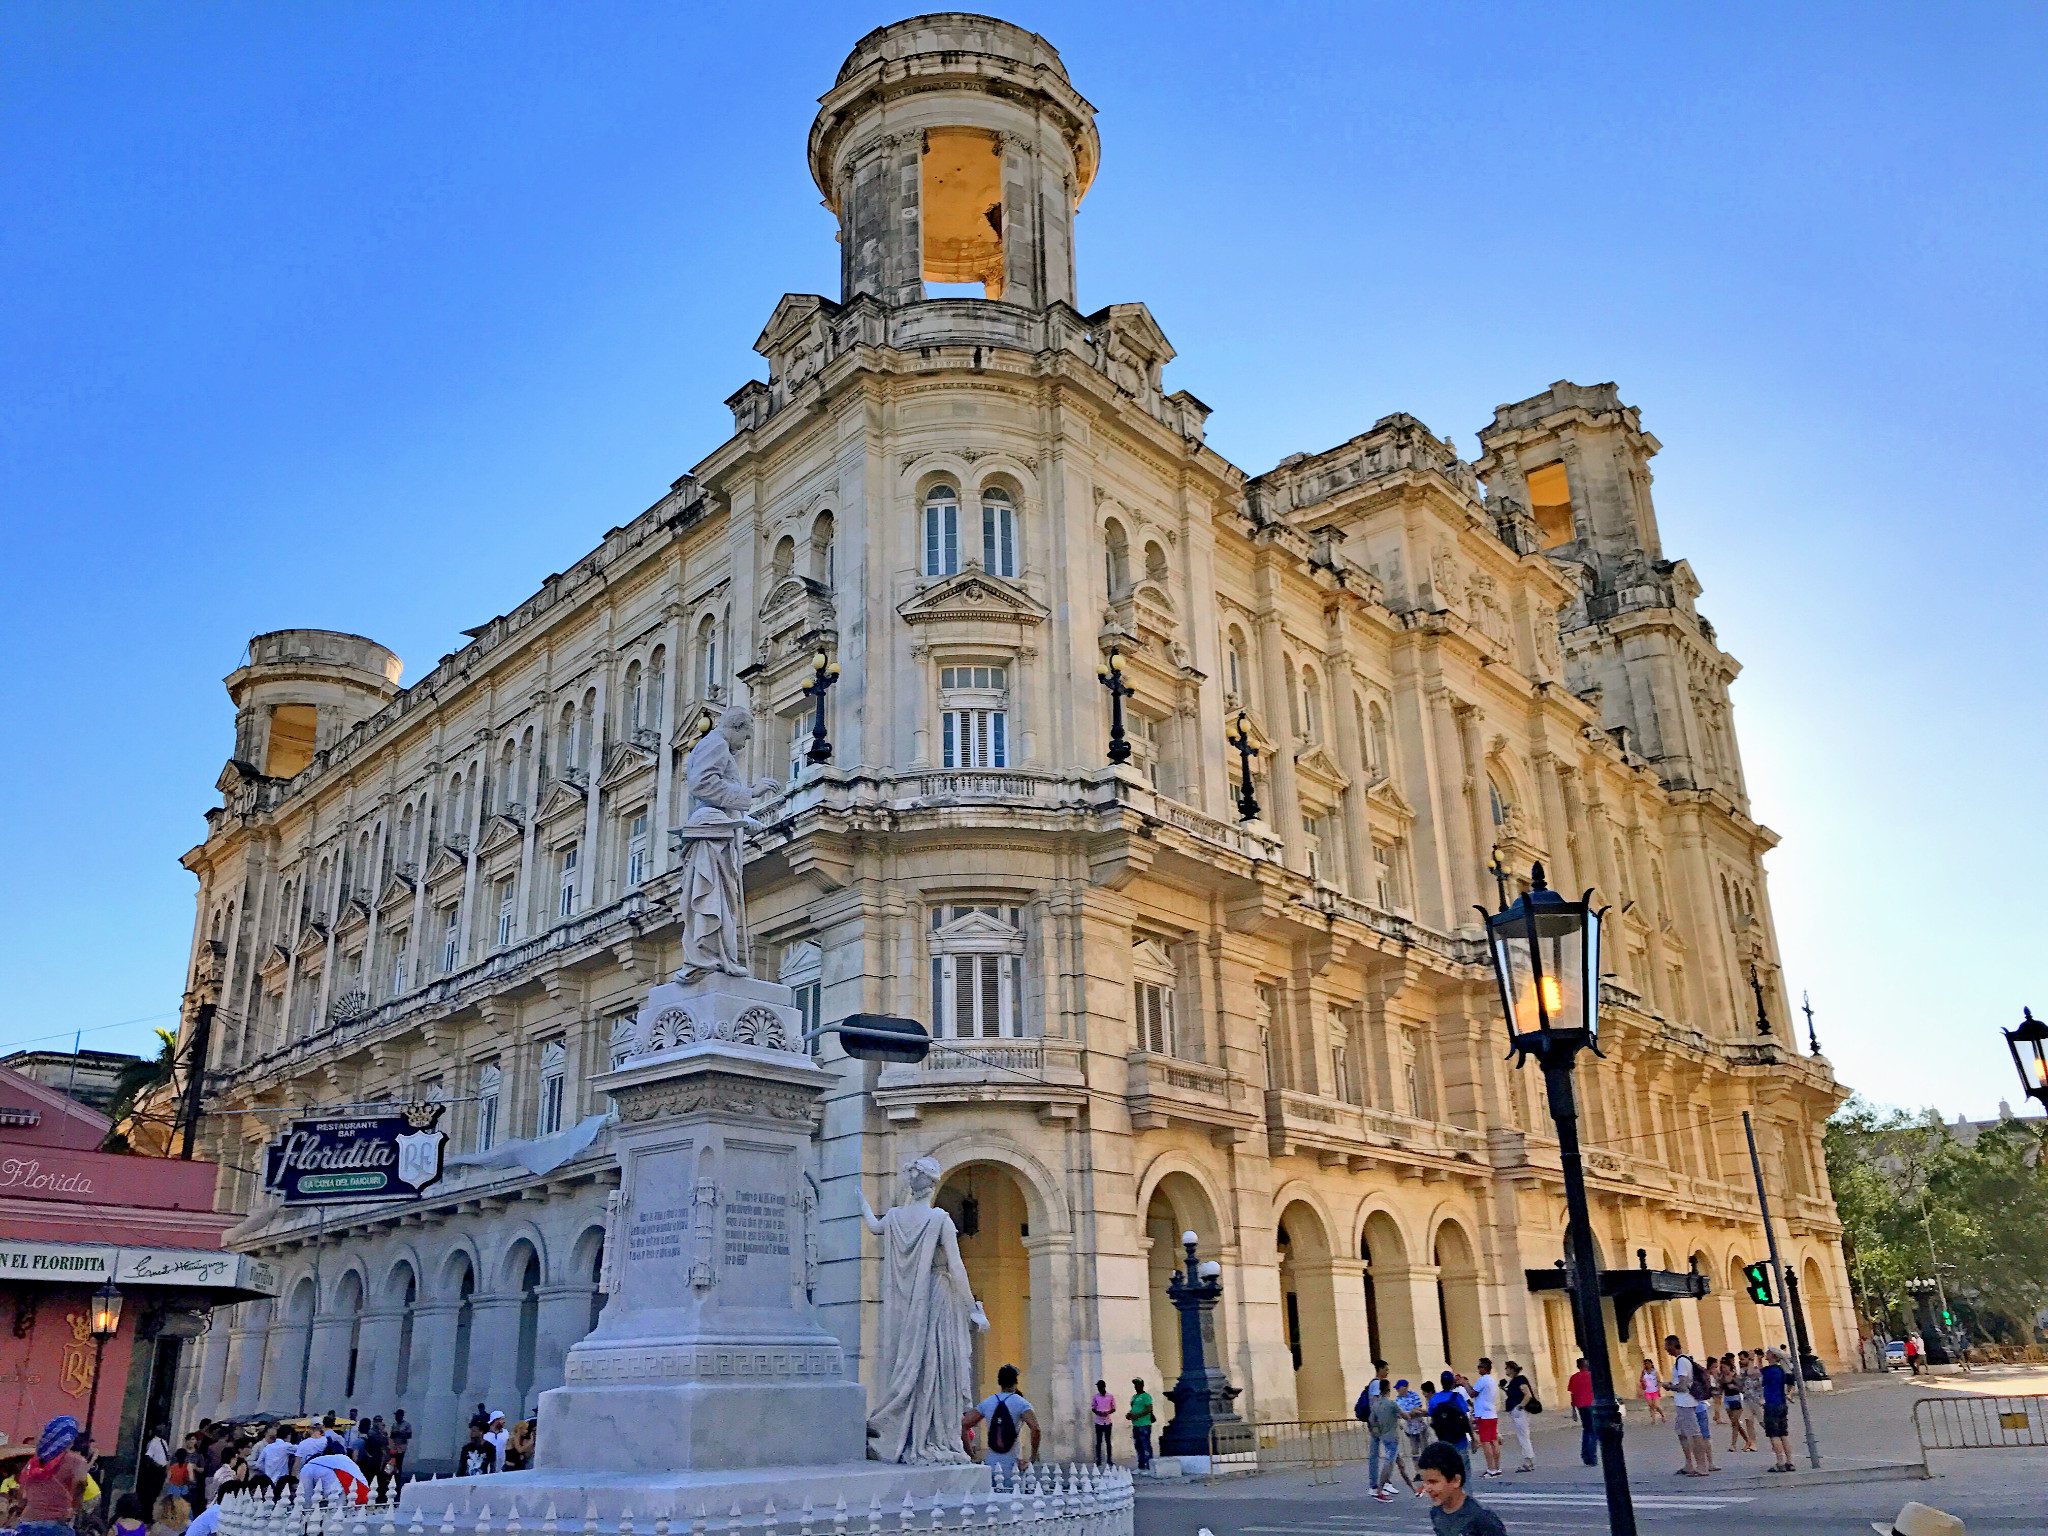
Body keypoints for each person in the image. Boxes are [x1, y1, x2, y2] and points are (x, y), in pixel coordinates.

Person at [961, 1364, 1040, 1481]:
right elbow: (1035, 1429)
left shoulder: (988, 1402)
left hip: (991, 1465)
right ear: (1015, 1382)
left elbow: (964, 1425)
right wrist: (1033, 1456)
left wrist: (971, 1455)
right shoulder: (1022, 1403)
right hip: (1014, 1466)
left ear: (999, 1383)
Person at [16, 1414, 91, 1536]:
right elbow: (80, 1488)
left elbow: (22, 1495)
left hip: (28, 1521)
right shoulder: (76, 1462)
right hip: (56, 1523)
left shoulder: (34, 1462)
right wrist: (73, 1508)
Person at [1416, 1442, 1507, 1536]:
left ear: (1456, 1481)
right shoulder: (1436, 1513)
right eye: (1425, 1482)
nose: (1427, 1489)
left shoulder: (1482, 1518)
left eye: (1433, 1482)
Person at [1664, 1335, 1713, 1476]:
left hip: (1686, 1402)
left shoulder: (1682, 1361)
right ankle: (1689, 1464)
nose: (1666, 1349)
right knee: (1682, 1433)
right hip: (1681, 1402)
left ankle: (1702, 1466)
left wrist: (1669, 1387)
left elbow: (1683, 1386)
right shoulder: (1681, 1361)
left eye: (1667, 1346)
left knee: (1694, 1434)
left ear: (1672, 1345)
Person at [1366, 1377, 1412, 1500]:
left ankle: (1412, 1488)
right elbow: (1406, 1416)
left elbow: (1372, 1420)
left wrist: (1377, 1430)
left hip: (1383, 1435)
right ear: (1388, 1390)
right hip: (1392, 1436)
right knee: (1389, 1462)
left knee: (1398, 1461)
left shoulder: (1376, 1405)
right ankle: (1380, 1488)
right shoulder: (1391, 1404)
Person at [1760, 1346, 1796, 1472]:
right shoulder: (1781, 1370)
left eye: (1768, 1353)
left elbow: (1759, 1379)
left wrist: (1756, 1359)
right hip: (1781, 1403)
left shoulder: (1769, 1370)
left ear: (1773, 1356)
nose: (1766, 1353)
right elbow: (1791, 1382)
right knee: (1783, 1434)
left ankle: (1780, 1462)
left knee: (1774, 1435)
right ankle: (1789, 1462)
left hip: (1771, 1404)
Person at [1428, 1372, 1473, 1463]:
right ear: (1453, 1383)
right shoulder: (1458, 1397)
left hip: (1443, 1438)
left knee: (1448, 1463)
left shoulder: (1434, 1399)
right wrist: (1473, 1436)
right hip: (1459, 1437)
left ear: (1441, 1382)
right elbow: (1466, 1418)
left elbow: (1431, 1416)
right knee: (1463, 1463)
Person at [1469, 1358, 1501, 1477]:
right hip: (1491, 1413)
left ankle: (1491, 1469)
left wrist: (1464, 1384)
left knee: (1486, 1442)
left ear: (1484, 1368)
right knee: (1493, 1441)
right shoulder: (1491, 1380)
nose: (1478, 1369)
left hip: (1483, 1415)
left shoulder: (1483, 1379)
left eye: (1480, 1367)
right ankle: (1497, 1467)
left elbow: (1472, 1393)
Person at [1501, 1360, 1536, 1473]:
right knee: (1522, 1435)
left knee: (1523, 1436)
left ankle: (1528, 1460)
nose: (1505, 1370)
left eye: (1507, 1368)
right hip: (1515, 1410)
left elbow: (1527, 1394)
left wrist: (1520, 1406)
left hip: (1519, 1410)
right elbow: (1513, 1394)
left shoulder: (1520, 1379)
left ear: (1512, 1369)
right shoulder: (1513, 1381)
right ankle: (1528, 1460)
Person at [1568, 1357, 1596, 1466]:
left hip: (1581, 1406)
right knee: (1593, 1431)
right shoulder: (1592, 1376)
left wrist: (1573, 1410)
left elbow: (1573, 1394)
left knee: (1586, 1429)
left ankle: (1585, 1455)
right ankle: (1592, 1457)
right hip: (1591, 1404)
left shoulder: (1574, 1377)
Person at [1395, 1379, 1428, 1472]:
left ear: (1404, 1387)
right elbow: (1404, 1414)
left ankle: (1427, 1469)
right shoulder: (1398, 1400)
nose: (1397, 1390)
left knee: (1425, 1450)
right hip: (1410, 1429)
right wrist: (1412, 1412)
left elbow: (1418, 1408)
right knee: (1414, 1452)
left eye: (1398, 1388)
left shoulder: (1414, 1395)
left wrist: (1411, 1412)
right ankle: (1418, 1471)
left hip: (1420, 1426)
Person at [138, 1427, 171, 1516]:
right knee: (151, 1492)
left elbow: (167, 1455)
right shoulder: (153, 1442)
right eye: (162, 1430)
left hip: (162, 1469)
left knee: (158, 1492)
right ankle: (147, 1513)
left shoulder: (164, 1442)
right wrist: (156, 1464)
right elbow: (148, 1456)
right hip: (155, 1470)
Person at [1126, 1379, 1154, 1471]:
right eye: (1135, 1384)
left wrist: (1137, 1415)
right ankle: (1141, 1465)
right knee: (1138, 1446)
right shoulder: (1134, 1397)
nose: (1136, 1386)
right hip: (1136, 1424)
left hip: (1144, 1424)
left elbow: (1149, 1409)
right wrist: (1130, 1414)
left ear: (1142, 1385)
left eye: (1138, 1384)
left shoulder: (1146, 1396)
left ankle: (1149, 1466)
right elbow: (1134, 1408)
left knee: (1145, 1445)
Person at [1089, 1382, 1116, 1467]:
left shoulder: (1110, 1396)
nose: (1099, 1389)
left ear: (1104, 1387)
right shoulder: (1096, 1397)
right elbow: (1093, 1408)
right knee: (1099, 1441)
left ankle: (1109, 1459)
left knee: (1108, 1441)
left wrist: (1108, 1412)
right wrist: (1098, 1412)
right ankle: (1098, 1459)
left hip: (1108, 1421)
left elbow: (1113, 1408)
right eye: (1098, 1387)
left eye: (1100, 1387)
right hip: (1098, 1421)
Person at [387, 1410, 413, 1481]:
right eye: (396, 1416)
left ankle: (397, 1478)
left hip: (401, 1447)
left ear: (402, 1416)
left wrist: (400, 1434)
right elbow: (391, 1436)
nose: (397, 1417)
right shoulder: (394, 1425)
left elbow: (409, 1435)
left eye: (398, 1416)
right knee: (390, 1461)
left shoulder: (407, 1425)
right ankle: (388, 1476)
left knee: (398, 1463)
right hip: (393, 1446)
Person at [1639, 1358, 1666, 1424]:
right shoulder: (1644, 1372)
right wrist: (1643, 1382)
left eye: (1648, 1363)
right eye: (1645, 1364)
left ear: (1651, 1364)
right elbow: (1641, 1379)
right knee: (1651, 1405)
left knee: (1656, 1405)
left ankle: (1662, 1415)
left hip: (1655, 1390)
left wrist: (1658, 1389)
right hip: (1647, 1391)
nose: (1647, 1365)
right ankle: (1654, 1420)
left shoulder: (1655, 1372)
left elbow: (1659, 1381)